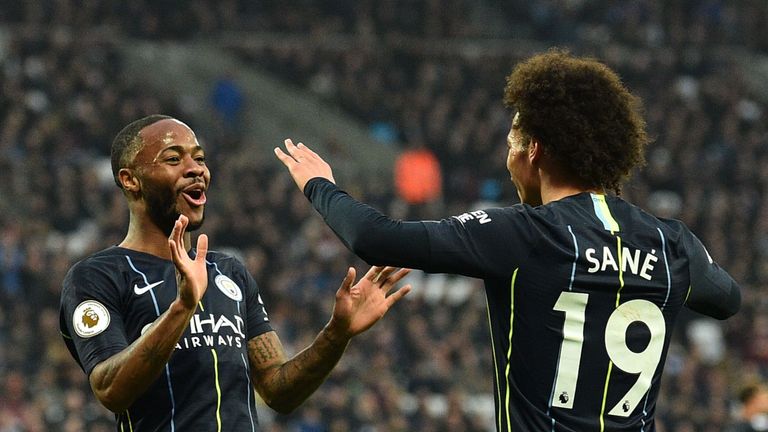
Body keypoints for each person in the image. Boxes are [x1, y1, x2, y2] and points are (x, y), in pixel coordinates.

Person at [275, 49, 741, 431]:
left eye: (511, 143)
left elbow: (374, 237)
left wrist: (319, 184)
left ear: (533, 150)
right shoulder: (671, 242)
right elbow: (726, 298)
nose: (508, 158)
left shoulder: (524, 233)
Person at [59, 115, 412, 431]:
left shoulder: (228, 272)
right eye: (173, 158)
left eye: (199, 158)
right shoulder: (97, 277)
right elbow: (109, 389)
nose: (196, 168)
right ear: (130, 180)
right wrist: (182, 308)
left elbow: (277, 390)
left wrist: (337, 334)